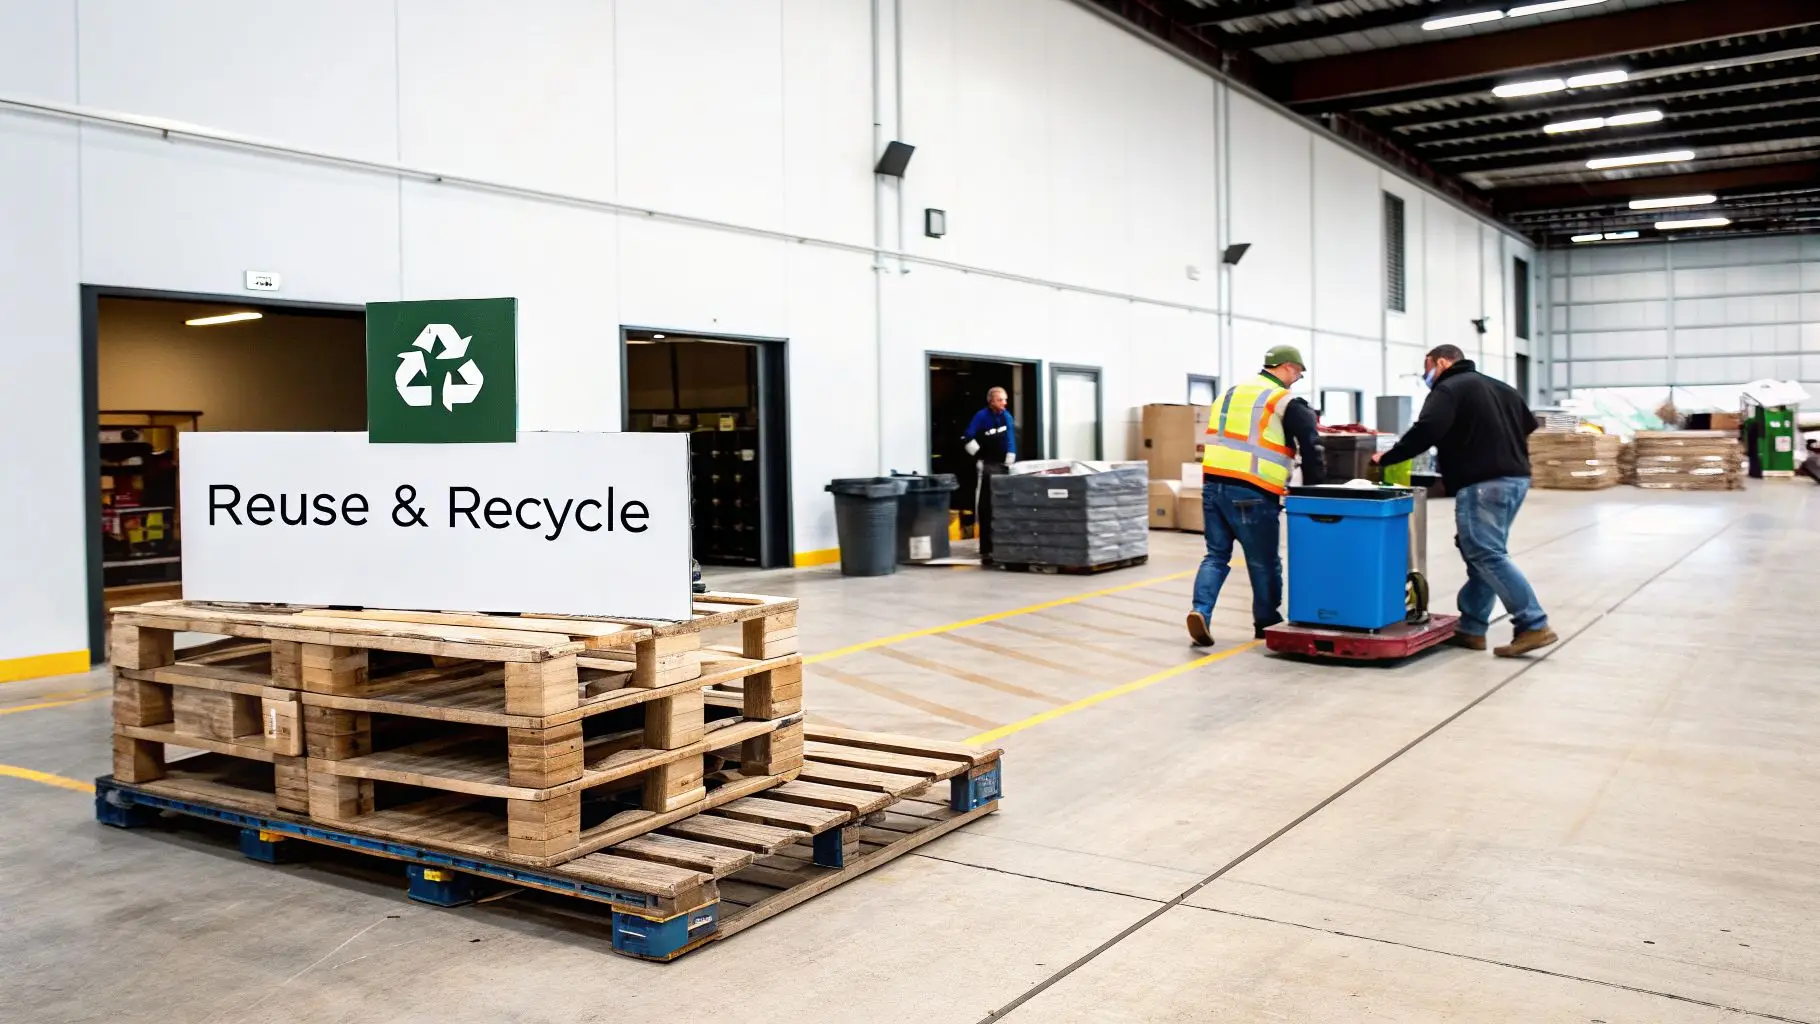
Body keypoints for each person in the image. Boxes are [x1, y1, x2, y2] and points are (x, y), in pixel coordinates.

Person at [1374, 344, 1556, 658]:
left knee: (1486, 555)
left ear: (1442, 362)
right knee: (1481, 556)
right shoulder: (1502, 388)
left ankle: (1532, 623)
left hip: (1482, 482)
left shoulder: (1450, 388)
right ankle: (1471, 629)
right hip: (1516, 479)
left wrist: (1389, 457)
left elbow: (1428, 429)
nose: (1426, 374)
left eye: (1427, 366)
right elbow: (1528, 425)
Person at [1186, 345, 1324, 647]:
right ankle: (1266, 621)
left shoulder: (1230, 393)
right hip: (1252, 489)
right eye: (1298, 374)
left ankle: (1201, 611)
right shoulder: (1282, 400)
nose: (1296, 380)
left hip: (1212, 486)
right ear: (1288, 367)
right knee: (1263, 561)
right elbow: (1312, 446)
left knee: (1216, 555)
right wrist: (1317, 491)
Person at [963, 386, 1017, 561]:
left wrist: (1011, 454)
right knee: (986, 505)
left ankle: (1004, 545)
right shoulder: (981, 417)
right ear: (991, 401)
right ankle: (986, 548)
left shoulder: (1006, 417)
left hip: (1004, 465)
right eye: (1001, 400)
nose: (1004, 403)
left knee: (1004, 505)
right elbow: (967, 436)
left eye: (1006, 400)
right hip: (988, 465)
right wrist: (976, 452)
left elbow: (1010, 438)